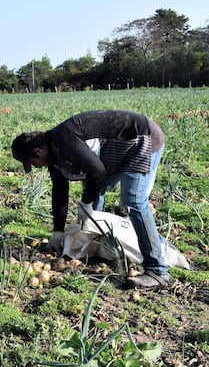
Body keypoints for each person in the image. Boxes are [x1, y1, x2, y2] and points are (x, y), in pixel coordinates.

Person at [11, 110, 169, 290]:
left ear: (38, 151)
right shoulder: (54, 156)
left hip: (141, 138)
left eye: (33, 163)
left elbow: (97, 171)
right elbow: (60, 191)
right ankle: (94, 247)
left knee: (133, 201)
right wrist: (58, 232)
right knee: (94, 189)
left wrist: (85, 203)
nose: (36, 167)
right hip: (118, 149)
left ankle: (157, 271)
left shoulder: (64, 139)